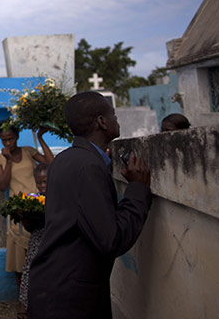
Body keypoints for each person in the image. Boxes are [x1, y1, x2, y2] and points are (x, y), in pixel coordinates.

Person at [28, 91, 152, 318]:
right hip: (71, 298)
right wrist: (137, 189)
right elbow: (111, 240)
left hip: (52, 286)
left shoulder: (64, 160)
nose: (116, 120)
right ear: (102, 122)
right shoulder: (88, 167)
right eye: (113, 115)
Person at [0, 119, 54, 291]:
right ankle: (23, 301)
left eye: (10, 138)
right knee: (19, 262)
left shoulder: (28, 151)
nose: (8, 143)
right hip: (18, 212)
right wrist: (9, 160)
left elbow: (51, 164)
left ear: (17, 136)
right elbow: (2, 185)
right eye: (4, 140)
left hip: (38, 208)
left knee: (41, 254)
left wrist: (41, 138)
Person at [18, 163, 48, 314]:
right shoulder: (32, 200)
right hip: (36, 244)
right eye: (39, 183)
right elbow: (30, 228)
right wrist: (25, 219)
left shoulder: (60, 199)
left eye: (45, 182)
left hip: (52, 245)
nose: (42, 186)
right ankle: (26, 305)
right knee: (30, 271)